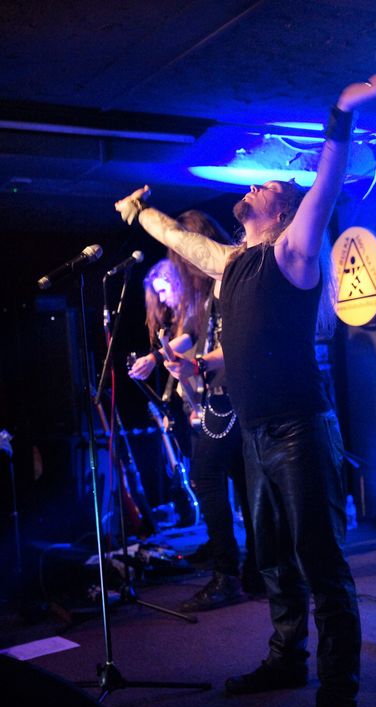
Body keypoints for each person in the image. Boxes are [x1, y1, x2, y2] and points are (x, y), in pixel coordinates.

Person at [116, 71, 376, 707]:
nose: (252, 186)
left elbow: (326, 182)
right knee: (273, 559)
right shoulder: (232, 263)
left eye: (266, 185)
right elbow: (183, 242)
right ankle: (286, 660)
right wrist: (140, 216)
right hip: (255, 435)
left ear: (283, 209)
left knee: (321, 567)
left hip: (300, 432)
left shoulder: (294, 251)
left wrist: (340, 112)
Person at [128, 210, 263, 611]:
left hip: (234, 394)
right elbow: (191, 334)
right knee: (241, 480)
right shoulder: (207, 291)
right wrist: (158, 357)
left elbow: (238, 344)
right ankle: (254, 568)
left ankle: (227, 575)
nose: (185, 264)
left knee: (207, 477)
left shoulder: (229, 276)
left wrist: (197, 365)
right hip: (227, 394)